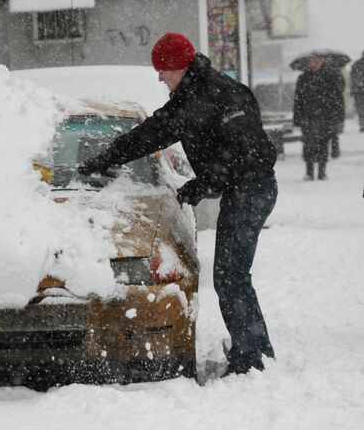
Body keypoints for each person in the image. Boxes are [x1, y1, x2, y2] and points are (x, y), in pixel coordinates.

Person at [78, 32, 277, 375]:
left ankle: (251, 358)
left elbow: (254, 155)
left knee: (230, 277)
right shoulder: (188, 98)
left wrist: (205, 182)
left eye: (163, 69)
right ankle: (257, 349)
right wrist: (105, 159)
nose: (158, 77)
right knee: (233, 276)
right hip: (241, 189)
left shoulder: (225, 95)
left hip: (253, 190)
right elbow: (151, 133)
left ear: (181, 66)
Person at [293, 55, 344, 180]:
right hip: (308, 116)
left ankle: (322, 171)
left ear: (322, 62)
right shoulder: (303, 78)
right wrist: (298, 117)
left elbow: (337, 97)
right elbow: (298, 99)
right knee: (308, 144)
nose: (314, 63)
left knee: (323, 143)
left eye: (316, 61)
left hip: (325, 116)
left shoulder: (330, 77)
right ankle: (309, 172)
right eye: (312, 61)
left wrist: (337, 115)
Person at [350, 51, 364, 132]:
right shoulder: (357, 64)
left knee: (360, 108)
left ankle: (362, 124)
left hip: (358, 90)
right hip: (359, 90)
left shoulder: (356, 64)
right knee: (360, 108)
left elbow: (353, 78)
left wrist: (355, 87)